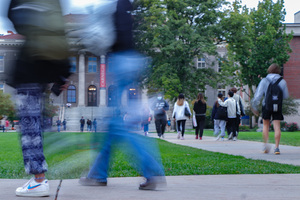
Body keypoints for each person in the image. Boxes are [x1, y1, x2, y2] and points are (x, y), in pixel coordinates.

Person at [78, 0, 166, 190]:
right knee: (112, 127)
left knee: (118, 127)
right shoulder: (124, 5)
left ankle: (152, 171)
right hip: (129, 60)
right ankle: (98, 174)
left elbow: (108, 35)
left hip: (122, 61)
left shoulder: (117, 5)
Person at [6, 0, 71, 196]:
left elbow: (15, 16)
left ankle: (38, 180)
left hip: (30, 68)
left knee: (30, 128)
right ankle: (39, 177)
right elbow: (58, 34)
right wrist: (64, 72)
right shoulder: (53, 4)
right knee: (33, 126)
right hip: (41, 70)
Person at [251, 63, 289, 154]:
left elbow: (258, 95)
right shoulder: (282, 81)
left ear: (269, 70)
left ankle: (265, 146)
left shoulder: (264, 80)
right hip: (277, 106)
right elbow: (286, 95)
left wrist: (254, 106)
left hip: (266, 105)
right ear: (278, 70)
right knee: (277, 126)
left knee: (265, 125)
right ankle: (277, 148)